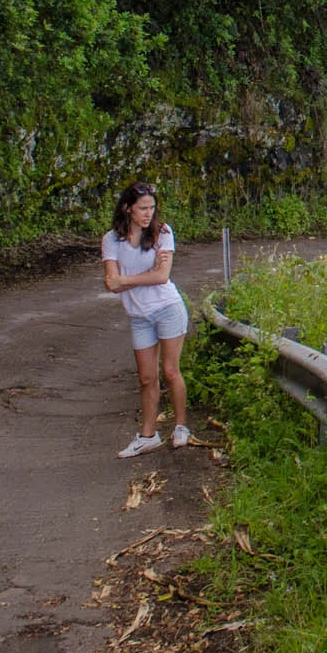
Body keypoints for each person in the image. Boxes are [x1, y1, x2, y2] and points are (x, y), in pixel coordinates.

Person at [102, 182, 190, 457]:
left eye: (151, 208)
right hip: (139, 315)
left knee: (170, 370)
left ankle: (181, 426)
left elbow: (161, 277)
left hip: (167, 307)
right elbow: (111, 283)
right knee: (146, 377)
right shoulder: (112, 240)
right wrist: (144, 275)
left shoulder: (163, 233)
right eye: (142, 208)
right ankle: (148, 434)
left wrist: (127, 280)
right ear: (128, 209)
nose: (147, 213)